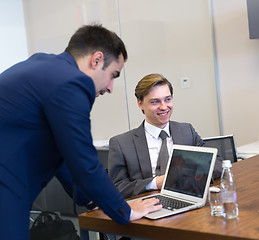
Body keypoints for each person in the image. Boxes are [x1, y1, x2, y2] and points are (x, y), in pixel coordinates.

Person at [0, 24, 161, 240]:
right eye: (113, 75)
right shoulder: (71, 82)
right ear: (96, 60)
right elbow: (83, 160)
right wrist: (127, 211)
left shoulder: (44, 67)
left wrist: (92, 199)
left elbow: (64, 156)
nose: (111, 88)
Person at [108, 73, 222, 198]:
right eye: (155, 102)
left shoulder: (186, 131)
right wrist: (155, 183)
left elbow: (216, 163)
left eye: (167, 99)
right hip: (149, 206)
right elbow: (117, 188)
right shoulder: (122, 144)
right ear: (140, 104)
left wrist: (193, 178)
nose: (164, 107)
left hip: (188, 198)